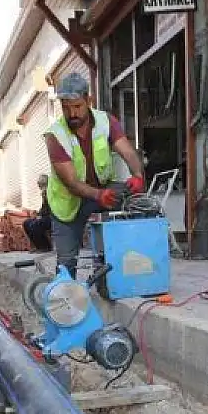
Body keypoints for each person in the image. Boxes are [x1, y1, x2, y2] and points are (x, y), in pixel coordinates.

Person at [44, 72, 145, 278]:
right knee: (66, 263)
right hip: (68, 203)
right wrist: (99, 196)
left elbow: (127, 151)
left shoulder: (105, 121)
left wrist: (137, 175)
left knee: (137, 203)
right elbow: (71, 183)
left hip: (101, 190)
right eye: (66, 107)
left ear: (88, 101)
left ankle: (133, 268)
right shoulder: (55, 135)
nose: (72, 113)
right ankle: (66, 298)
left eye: (77, 106)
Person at [23, 174, 53, 252]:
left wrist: (41, 216)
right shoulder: (44, 193)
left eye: (39, 184)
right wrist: (38, 214)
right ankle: (38, 246)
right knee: (26, 223)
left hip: (53, 217)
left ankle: (45, 246)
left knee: (36, 224)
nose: (38, 185)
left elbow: (51, 208)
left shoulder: (50, 192)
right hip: (45, 216)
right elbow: (43, 208)